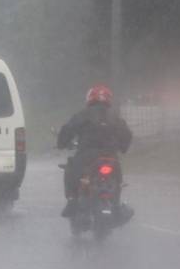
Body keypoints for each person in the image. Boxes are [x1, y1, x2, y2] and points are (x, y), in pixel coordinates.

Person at [57, 84, 134, 221]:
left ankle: (72, 200)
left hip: (87, 156)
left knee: (70, 169)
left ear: (89, 99)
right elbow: (127, 136)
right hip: (111, 157)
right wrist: (123, 147)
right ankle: (116, 205)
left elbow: (67, 130)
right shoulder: (115, 117)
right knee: (117, 179)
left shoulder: (82, 115)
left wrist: (61, 143)